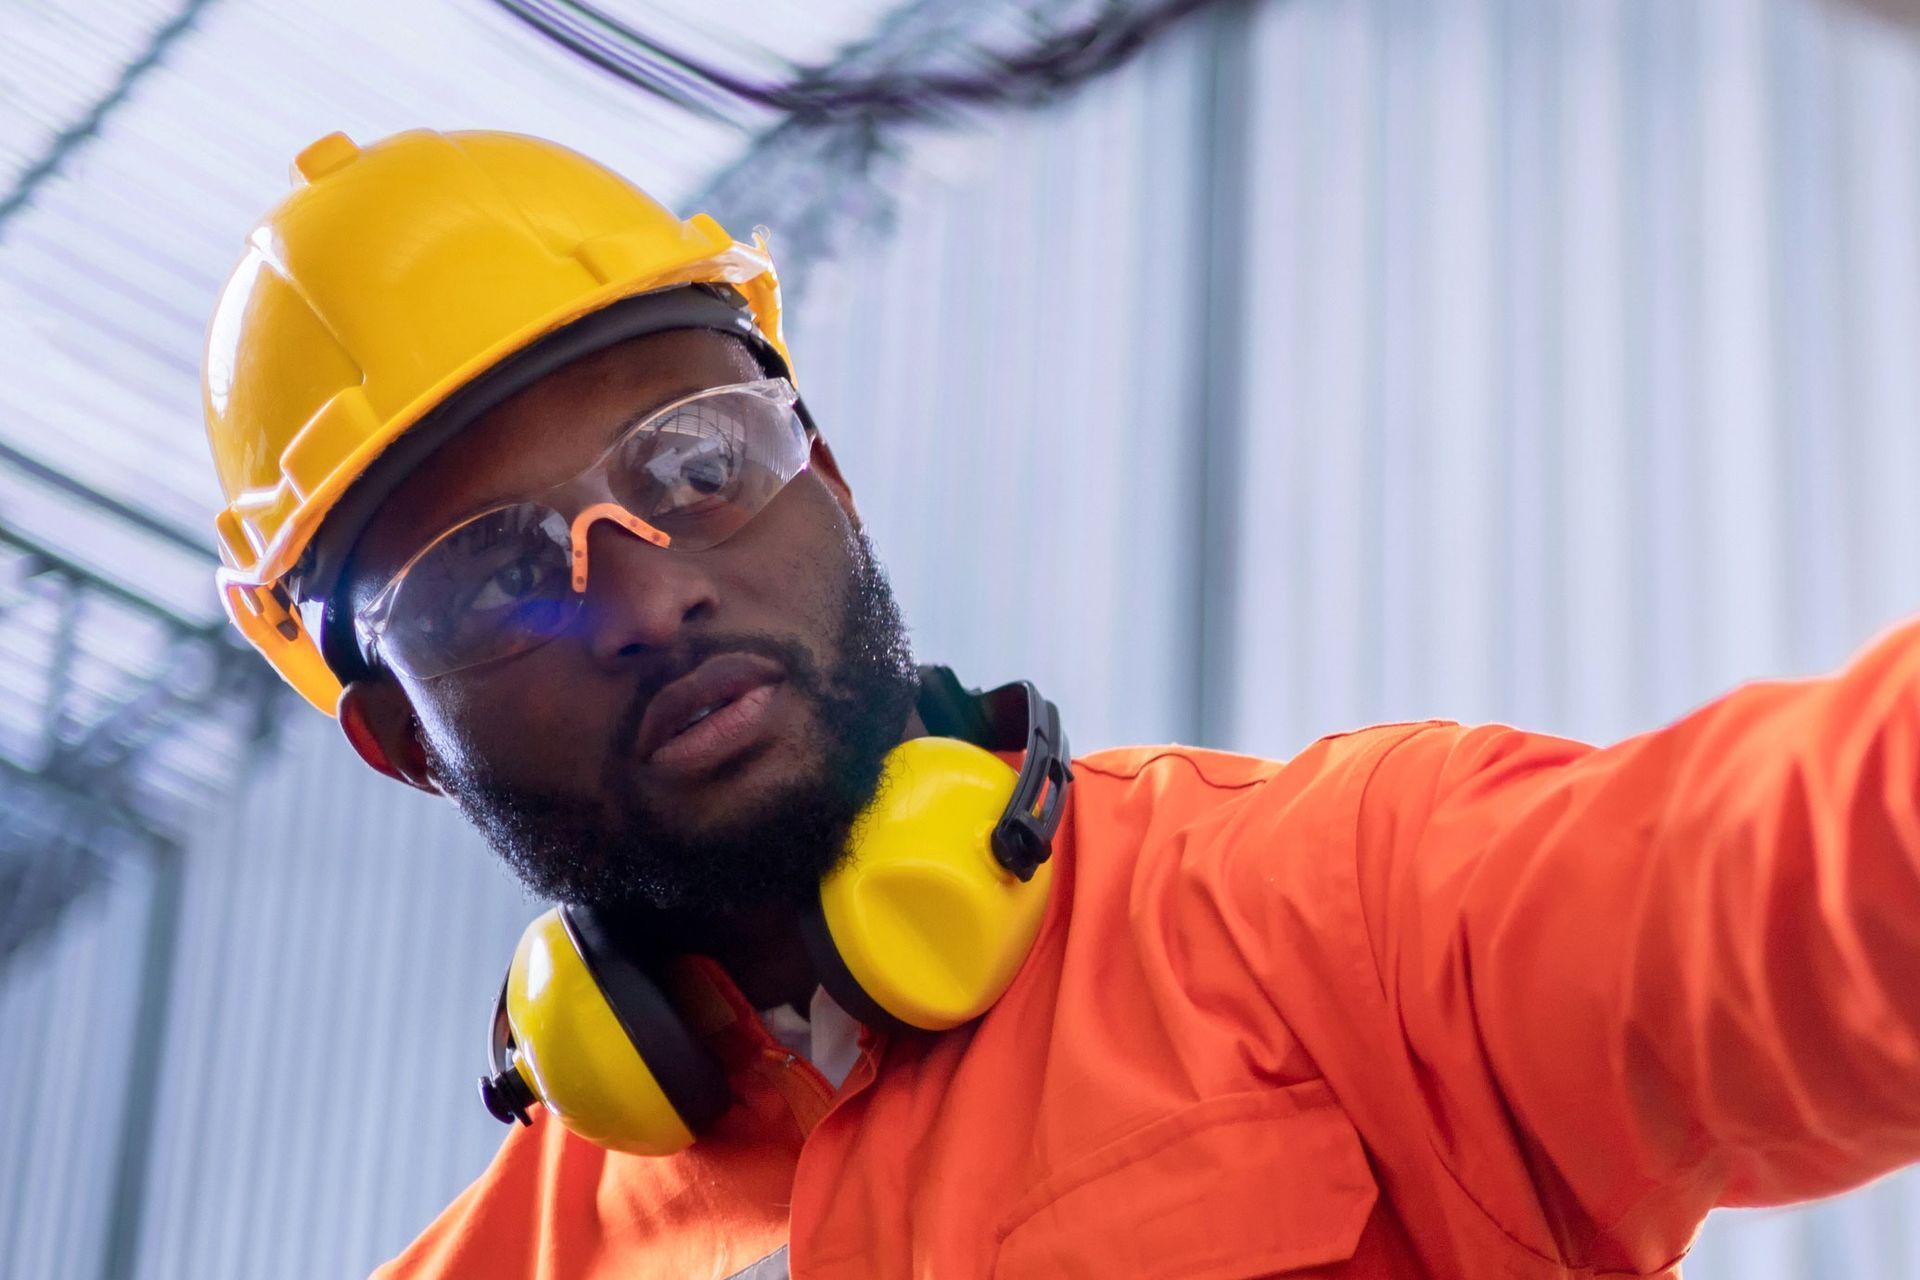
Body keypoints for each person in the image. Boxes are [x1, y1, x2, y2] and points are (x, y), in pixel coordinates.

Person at [202, 128, 1920, 1280]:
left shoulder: (1319, 919)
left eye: (699, 463)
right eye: (499, 583)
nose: (649, 592)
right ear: (403, 740)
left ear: (835, 479)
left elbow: (1797, 875)